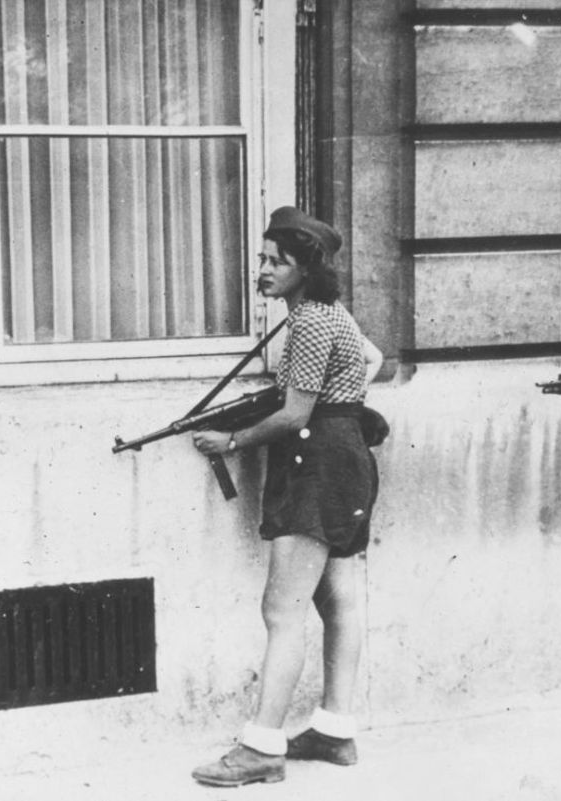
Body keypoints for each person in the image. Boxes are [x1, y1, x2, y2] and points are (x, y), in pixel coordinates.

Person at [189, 206, 381, 787]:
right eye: (262, 259)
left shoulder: (310, 322)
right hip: (346, 456)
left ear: (307, 269)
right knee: (340, 598)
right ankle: (335, 730)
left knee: (282, 610)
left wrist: (232, 440)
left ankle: (262, 747)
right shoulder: (331, 314)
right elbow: (369, 358)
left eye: (278, 262)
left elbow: (295, 412)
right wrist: (344, 400)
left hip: (317, 463)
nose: (264, 270)